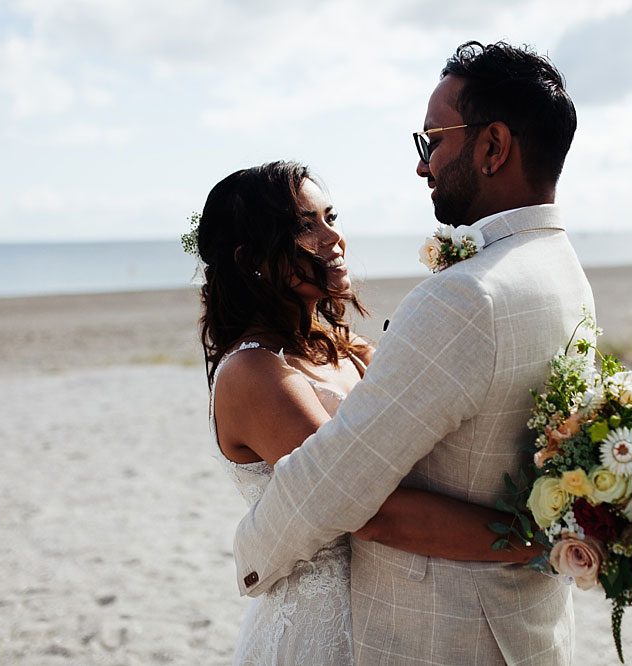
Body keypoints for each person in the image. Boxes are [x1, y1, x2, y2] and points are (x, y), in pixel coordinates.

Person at [232, 41, 596, 665]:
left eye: (435, 140)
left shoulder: (466, 295)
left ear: (492, 147)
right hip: (524, 626)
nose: (424, 166)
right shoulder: (564, 271)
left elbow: (346, 486)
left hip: (444, 635)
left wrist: (250, 557)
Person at [199, 160, 546, 664]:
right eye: (304, 225)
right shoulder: (253, 375)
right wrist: (536, 542)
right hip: (322, 627)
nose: (332, 237)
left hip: (392, 609)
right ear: (249, 257)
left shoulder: (345, 348)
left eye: (330, 217)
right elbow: (367, 506)